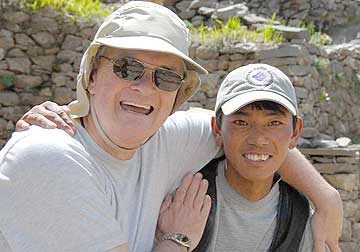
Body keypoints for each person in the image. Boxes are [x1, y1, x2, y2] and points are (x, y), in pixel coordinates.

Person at [1, 1, 342, 252]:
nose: (146, 87)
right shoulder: (47, 157)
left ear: (178, 94)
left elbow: (253, 141)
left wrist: (326, 197)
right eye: (127, 68)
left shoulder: (165, 140)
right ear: (91, 75)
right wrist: (176, 241)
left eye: (165, 77)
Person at [161, 64, 330, 251]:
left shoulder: (300, 221)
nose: (258, 139)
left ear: (295, 131)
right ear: (217, 129)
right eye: (241, 122)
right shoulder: (183, 201)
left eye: (274, 123)